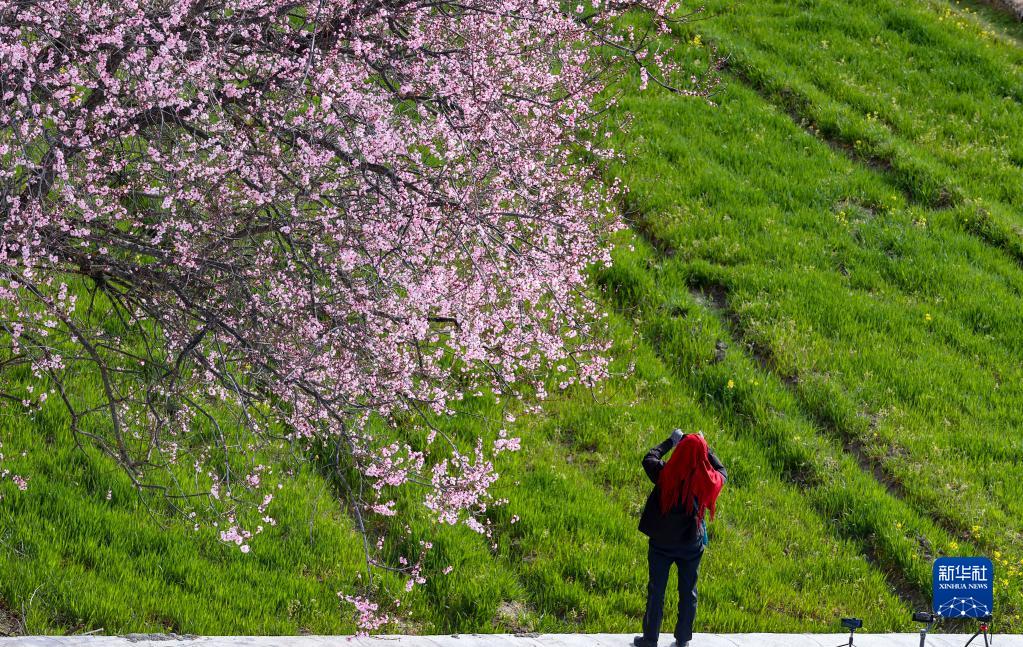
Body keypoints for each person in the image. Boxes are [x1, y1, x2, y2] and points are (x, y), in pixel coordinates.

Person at [634, 430, 726, 647]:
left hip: (661, 544)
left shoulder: (665, 474)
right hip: (690, 545)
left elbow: (649, 458)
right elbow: (722, 471)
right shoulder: (707, 481)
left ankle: (650, 639)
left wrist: (671, 441)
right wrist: (706, 447)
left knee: (656, 590)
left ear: (680, 451)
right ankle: (683, 639)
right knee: (688, 592)